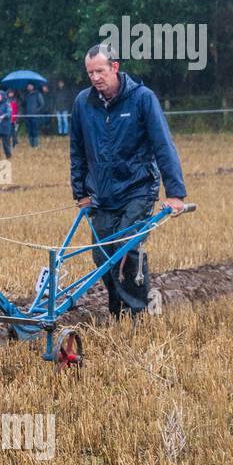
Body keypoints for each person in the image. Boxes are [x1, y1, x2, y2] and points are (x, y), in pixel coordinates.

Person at [70, 44, 187, 318]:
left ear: (115, 67)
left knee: (125, 250)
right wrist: (81, 192)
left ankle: (136, 313)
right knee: (102, 257)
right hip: (101, 195)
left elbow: (163, 145)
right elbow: (77, 150)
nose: (95, 78)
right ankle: (119, 310)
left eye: (100, 71)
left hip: (138, 189)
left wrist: (175, 193)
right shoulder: (83, 104)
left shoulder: (142, 99)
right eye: (90, 73)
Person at [24, 82, 47, 148]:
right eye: (28, 86)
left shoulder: (38, 94)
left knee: (35, 130)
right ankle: (31, 145)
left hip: (35, 115)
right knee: (29, 130)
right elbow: (24, 104)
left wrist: (36, 111)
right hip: (28, 116)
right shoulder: (27, 95)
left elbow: (42, 104)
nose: (29, 87)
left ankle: (36, 145)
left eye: (30, 86)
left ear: (33, 86)